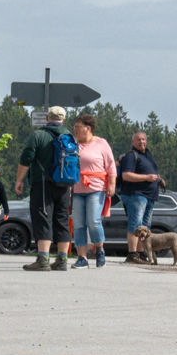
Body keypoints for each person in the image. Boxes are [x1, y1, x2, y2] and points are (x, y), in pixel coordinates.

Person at [13, 106, 72, 272]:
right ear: (63, 119)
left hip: (43, 183)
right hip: (65, 184)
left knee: (43, 217)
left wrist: (19, 180)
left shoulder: (38, 135)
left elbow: (26, 158)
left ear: (47, 118)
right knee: (62, 219)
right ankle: (62, 260)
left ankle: (43, 259)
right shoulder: (69, 135)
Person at [70, 114, 117, 267]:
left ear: (88, 128)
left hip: (96, 187)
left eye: (78, 127)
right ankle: (82, 257)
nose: (75, 130)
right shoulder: (73, 144)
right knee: (78, 224)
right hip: (77, 188)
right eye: (75, 127)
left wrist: (111, 184)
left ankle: (99, 249)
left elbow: (111, 166)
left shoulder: (101, 143)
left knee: (93, 221)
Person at [116, 130, 163, 242]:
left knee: (145, 228)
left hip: (150, 196)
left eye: (143, 139)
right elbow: (126, 175)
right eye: (138, 139)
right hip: (136, 195)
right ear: (133, 142)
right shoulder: (131, 156)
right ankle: (133, 254)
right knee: (136, 226)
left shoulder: (147, 156)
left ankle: (141, 253)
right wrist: (147, 178)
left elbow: (150, 172)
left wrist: (159, 179)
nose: (141, 142)